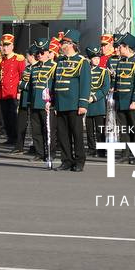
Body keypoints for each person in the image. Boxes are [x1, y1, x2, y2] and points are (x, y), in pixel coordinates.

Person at [50, 29, 91, 172]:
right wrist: (53, 101)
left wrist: (83, 104)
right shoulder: (60, 61)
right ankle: (66, 160)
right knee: (63, 135)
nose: (61, 45)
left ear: (70, 44)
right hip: (61, 104)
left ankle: (79, 161)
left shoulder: (82, 62)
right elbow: (55, 82)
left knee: (77, 134)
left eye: (63, 43)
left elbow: (85, 84)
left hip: (74, 104)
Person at [111, 33, 135, 160]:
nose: (118, 49)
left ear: (127, 47)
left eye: (120, 47)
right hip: (122, 100)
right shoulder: (120, 61)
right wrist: (115, 98)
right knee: (124, 129)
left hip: (133, 102)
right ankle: (125, 153)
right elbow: (117, 81)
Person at [27, 40, 57, 162]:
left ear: (48, 53)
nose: (39, 55)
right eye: (37, 53)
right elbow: (31, 87)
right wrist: (29, 102)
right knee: (36, 131)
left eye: (42, 52)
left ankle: (50, 153)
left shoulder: (54, 67)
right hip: (35, 103)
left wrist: (53, 102)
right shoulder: (34, 68)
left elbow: (55, 86)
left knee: (49, 131)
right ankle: (39, 153)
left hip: (47, 104)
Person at [0, 33, 26, 149]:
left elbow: (22, 76)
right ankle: (10, 137)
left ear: (12, 46)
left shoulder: (18, 59)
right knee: (6, 117)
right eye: (4, 45)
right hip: (4, 93)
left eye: (8, 46)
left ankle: (17, 138)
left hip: (14, 93)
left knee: (14, 117)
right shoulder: (0, 60)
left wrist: (19, 92)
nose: (5, 48)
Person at [85, 45, 111, 155]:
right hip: (87, 103)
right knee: (89, 129)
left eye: (98, 58)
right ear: (90, 59)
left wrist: (94, 97)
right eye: (94, 58)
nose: (97, 60)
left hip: (98, 103)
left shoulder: (104, 71)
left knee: (100, 129)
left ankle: (101, 150)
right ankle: (91, 149)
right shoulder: (85, 71)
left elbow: (105, 88)